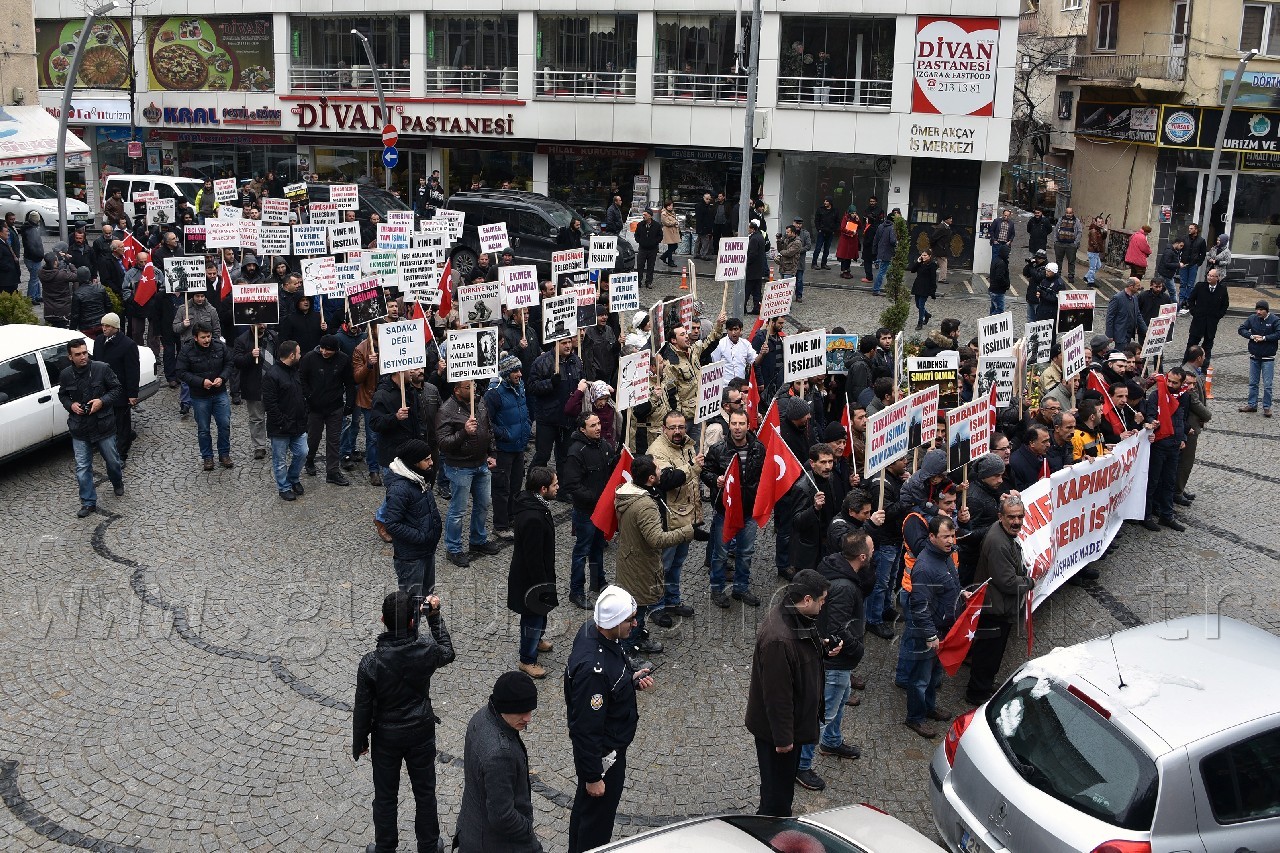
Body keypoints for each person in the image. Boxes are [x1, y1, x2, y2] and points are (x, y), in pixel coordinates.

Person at [353, 591, 455, 853]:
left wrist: (360, 741)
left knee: (385, 797)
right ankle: (430, 846)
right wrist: (434, 616)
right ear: (412, 622)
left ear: (382, 620)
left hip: (386, 738)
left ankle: (385, 848)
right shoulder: (426, 650)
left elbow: (363, 708)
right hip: (421, 732)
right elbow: (448, 651)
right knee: (425, 794)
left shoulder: (371, 663)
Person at [563, 585, 656, 853]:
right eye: (630, 620)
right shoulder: (593, 671)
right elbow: (585, 728)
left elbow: (612, 681)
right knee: (595, 824)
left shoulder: (593, 633)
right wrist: (592, 776)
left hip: (610, 748)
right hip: (604, 756)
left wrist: (630, 682)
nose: (635, 624)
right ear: (613, 622)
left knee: (587, 813)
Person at [745, 569, 833, 816]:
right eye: (821, 599)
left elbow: (801, 650)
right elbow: (777, 696)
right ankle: (768, 834)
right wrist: (783, 740)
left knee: (781, 789)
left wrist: (823, 648)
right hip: (778, 736)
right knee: (776, 799)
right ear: (807, 600)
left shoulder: (794, 617)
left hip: (790, 728)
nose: (824, 604)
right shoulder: (779, 640)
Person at [794, 531, 872, 791]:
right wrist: (856, 648)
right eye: (871, 548)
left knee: (839, 702)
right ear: (862, 555)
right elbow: (837, 627)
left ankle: (832, 741)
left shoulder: (838, 569)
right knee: (821, 715)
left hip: (841, 665)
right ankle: (802, 766)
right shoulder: (845, 587)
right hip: (836, 664)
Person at [453, 671, 544, 853]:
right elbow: (502, 816)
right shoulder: (501, 754)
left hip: (474, 827)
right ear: (504, 707)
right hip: (496, 844)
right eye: (521, 712)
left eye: (530, 710)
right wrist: (528, 829)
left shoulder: (482, 716)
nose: (528, 719)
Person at [903, 514, 968, 739]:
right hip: (931, 631)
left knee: (933, 673)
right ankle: (915, 717)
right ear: (931, 537)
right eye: (945, 537)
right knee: (920, 677)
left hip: (944, 627)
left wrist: (961, 593)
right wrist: (931, 635)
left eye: (952, 535)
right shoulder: (924, 567)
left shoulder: (946, 555)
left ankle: (929, 707)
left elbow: (948, 585)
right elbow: (919, 606)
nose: (951, 541)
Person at [966, 495, 1035, 705]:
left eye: (1020, 517)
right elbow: (1007, 582)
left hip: (998, 605)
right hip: (995, 608)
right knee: (988, 653)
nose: (1016, 522)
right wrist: (1029, 582)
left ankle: (984, 684)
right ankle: (977, 692)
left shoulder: (1002, 533)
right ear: (1000, 517)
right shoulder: (998, 542)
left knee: (991, 652)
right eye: (1011, 517)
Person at [702, 409, 766, 609]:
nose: (737, 428)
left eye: (741, 424)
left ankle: (740, 587)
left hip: (748, 510)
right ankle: (717, 589)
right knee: (720, 554)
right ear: (729, 425)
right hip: (725, 511)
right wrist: (715, 480)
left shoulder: (758, 448)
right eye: (734, 424)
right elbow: (706, 472)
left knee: (745, 552)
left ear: (748, 426)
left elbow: (764, 476)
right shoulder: (718, 449)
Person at [646, 411, 704, 627]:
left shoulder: (688, 444)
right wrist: (693, 468)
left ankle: (672, 600)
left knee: (678, 564)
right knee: (663, 565)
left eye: (681, 426)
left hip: (686, 516)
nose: (678, 431)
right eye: (673, 427)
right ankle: (656, 606)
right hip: (668, 519)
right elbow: (667, 480)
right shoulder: (657, 451)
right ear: (664, 429)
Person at [436, 379, 501, 567]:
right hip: (460, 467)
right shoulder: (446, 411)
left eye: (473, 385)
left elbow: (488, 429)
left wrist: (492, 452)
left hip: (481, 463)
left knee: (483, 504)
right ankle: (453, 548)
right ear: (457, 390)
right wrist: (464, 432)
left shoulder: (479, 402)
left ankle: (478, 539)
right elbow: (443, 443)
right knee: (458, 510)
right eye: (468, 386)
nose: (473, 388)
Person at [58, 339, 124, 517]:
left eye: (84, 353)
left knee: (112, 461)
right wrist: (71, 405)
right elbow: (62, 395)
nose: (82, 357)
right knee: (82, 467)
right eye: (78, 354)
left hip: (103, 426)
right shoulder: (65, 374)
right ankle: (88, 502)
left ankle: (117, 481)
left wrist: (101, 401)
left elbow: (117, 389)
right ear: (70, 357)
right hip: (79, 428)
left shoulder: (102, 369)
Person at [561, 409, 617, 609]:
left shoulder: (604, 445)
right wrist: (596, 498)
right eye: (593, 425)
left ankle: (598, 582)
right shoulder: (576, 451)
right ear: (583, 429)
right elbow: (572, 485)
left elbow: (611, 471)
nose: (598, 428)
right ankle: (576, 591)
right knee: (582, 551)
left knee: (598, 547)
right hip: (586, 511)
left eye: (599, 424)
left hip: (601, 510)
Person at [507, 467, 558, 679]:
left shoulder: (535, 504)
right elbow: (533, 557)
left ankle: (536, 641)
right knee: (532, 617)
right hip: (532, 580)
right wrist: (541, 587)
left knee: (539, 614)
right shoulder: (533, 518)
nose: (558, 488)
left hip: (538, 575)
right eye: (555, 485)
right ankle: (527, 659)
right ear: (543, 489)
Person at [382, 438, 442, 597]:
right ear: (414, 462)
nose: (431, 463)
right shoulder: (400, 489)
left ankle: (432, 621)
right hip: (411, 558)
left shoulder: (420, 478)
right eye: (426, 459)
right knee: (411, 605)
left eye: (431, 458)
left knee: (428, 598)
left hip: (426, 550)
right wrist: (421, 536)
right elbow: (392, 524)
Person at [484, 355, 531, 538]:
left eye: (520, 370)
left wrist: (525, 426)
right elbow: (486, 422)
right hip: (503, 448)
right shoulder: (494, 393)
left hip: (518, 446)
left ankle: (512, 518)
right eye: (515, 371)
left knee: (515, 486)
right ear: (506, 373)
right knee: (502, 489)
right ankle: (501, 525)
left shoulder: (520, 386)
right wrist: (505, 433)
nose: (520, 374)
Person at [177, 323, 234, 471]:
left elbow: (229, 363)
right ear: (195, 337)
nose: (207, 340)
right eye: (203, 337)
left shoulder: (219, 346)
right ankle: (207, 457)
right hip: (200, 396)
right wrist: (201, 382)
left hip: (219, 392)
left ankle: (224, 454)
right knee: (203, 429)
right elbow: (181, 372)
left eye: (208, 336)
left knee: (224, 424)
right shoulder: (187, 350)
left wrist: (222, 378)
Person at [298, 334, 353, 486]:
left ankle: (333, 472)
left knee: (334, 441)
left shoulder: (343, 360)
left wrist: (349, 403)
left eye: (328, 350)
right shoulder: (309, 358)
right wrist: (308, 396)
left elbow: (349, 382)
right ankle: (309, 460)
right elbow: (302, 378)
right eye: (322, 348)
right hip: (315, 407)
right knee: (313, 438)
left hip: (335, 406)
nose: (324, 352)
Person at [1140, 367, 1187, 533]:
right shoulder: (1156, 395)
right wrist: (1153, 421)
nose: (1171, 384)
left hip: (1174, 445)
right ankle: (1146, 515)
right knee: (1153, 481)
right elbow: (1150, 414)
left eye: (1175, 382)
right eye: (1169, 381)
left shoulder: (1183, 396)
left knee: (1169, 481)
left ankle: (1166, 515)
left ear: (1181, 383)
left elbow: (1183, 418)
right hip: (1160, 444)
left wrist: (1183, 438)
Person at [261, 340, 308, 500]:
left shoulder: (295, 370)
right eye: (299, 353)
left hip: (298, 424)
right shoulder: (272, 375)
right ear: (292, 355)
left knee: (303, 453)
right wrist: (283, 422)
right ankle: (284, 487)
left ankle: (293, 477)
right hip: (280, 427)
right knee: (279, 460)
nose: (301, 356)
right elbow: (270, 404)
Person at [91, 313, 140, 463]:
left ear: (116, 328)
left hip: (120, 390)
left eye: (108, 326)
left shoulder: (127, 345)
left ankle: (121, 454)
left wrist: (132, 393)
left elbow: (132, 371)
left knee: (122, 424)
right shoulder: (99, 341)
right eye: (103, 325)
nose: (104, 328)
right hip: (103, 391)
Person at [528, 338, 582, 470]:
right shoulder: (541, 362)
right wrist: (550, 383)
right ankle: (533, 486)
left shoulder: (576, 361)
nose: (568, 345)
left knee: (565, 457)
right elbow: (532, 387)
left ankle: (562, 488)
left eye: (569, 342)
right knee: (542, 456)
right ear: (555, 344)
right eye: (564, 343)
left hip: (568, 419)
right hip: (547, 418)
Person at [232, 323, 276, 460]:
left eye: (264, 322)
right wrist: (250, 355)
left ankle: (278, 443)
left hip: (273, 384)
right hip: (253, 384)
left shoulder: (273, 337)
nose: (262, 325)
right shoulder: (241, 340)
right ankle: (259, 446)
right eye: (258, 323)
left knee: (275, 415)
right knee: (257, 418)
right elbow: (237, 362)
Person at [1239, 300, 1280, 417]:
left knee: (1267, 385)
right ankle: (1252, 404)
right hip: (1254, 356)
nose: (1258, 312)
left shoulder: (1274, 320)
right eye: (1257, 309)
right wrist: (1251, 336)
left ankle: (1267, 407)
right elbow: (1241, 329)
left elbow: (1278, 334)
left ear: (1266, 311)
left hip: (1268, 357)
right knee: (1253, 383)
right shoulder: (1252, 318)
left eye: (1261, 310)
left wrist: (1264, 338)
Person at [1186, 267, 1230, 364]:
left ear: (1217, 278)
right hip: (1198, 321)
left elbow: (1225, 305)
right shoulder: (1200, 286)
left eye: (1212, 276)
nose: (1209, 277)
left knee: (1208, 346)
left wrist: (1218, 316)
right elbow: (1191, 300)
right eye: (1208, 275)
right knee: (1191, 344)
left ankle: (1204, 366)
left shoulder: (1222, 289)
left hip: (1211, 323)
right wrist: (1194, 311)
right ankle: (1186, 363)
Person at [1105, 277, 1146, 350]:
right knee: (1121, 355)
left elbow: (1138, 315)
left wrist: (1146, 330)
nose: (1139, 288)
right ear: (1131, 286)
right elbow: (1110, 317)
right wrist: (1109, 334)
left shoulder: (1135, 297)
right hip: (1121, 333)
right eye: (1137, 286)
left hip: (1129, 333)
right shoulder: (1117, 298)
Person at [1178, 223, 1207, 311]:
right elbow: (1179, 249)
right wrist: (1179, 261)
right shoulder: (1184, 239)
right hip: (1184, 263)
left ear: (1196, 230)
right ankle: (1181, 301)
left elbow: (1203, 253)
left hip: (1193, 264)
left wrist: (1198, 263)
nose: (1189, 230)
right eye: (1189, 228)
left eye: (1191, 228)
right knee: (1183, 283)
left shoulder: (1201, 240)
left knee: (1190, 284)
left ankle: (1188, 301)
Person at [908, 250, 939, 330]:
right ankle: (927, 315)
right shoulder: (920, 263)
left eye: (925, 255)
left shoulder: (932, 265)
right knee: (918, 305)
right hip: (918, 286)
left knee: (921, 305)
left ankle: (920, 323)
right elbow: (912, 270)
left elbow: (933, 278)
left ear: (929, 256)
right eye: (922, 255)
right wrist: (917, 262)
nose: (923, 257)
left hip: (925, 288)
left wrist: (933, 291)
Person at [871, 209, 899, 295]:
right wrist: (898, 243)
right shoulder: (892, 227)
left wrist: (874, 251)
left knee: (883, 271)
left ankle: (884, 289)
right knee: (884, 272)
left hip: (881, 252)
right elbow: (893, 241)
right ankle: (877, 289)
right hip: (888, 252)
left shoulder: (881, 226)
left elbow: (876, 239)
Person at [634, 208, 662, 289]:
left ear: (650, 216)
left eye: (645, 215)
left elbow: (660, 236)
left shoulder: (657, 225)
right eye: (643, 215)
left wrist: (654, 242)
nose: (643, 216)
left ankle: (648, 282)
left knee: (650, 266)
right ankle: (638, 281)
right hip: (642, 248)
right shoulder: (640, 224)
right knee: (640, 265)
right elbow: (636, 235)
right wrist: (640, 241)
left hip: (652, 249)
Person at [744, 219, 768, 313]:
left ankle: (743, 308)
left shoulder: (754, 239)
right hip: (759, 269)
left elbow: (752, 254)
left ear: (752, 229)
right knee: (757, 290)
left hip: (752, 269)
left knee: (747, 289)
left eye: (749, 228)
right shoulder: (760, 236)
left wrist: (746, 263)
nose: (748, 229)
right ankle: (757, 308)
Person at [1052, 206, 1081, 284]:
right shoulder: (1061, 219)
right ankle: (1058, 275)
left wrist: (1075, 243)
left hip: (1071, 244)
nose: (1068, 214)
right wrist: (1056, 241)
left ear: (1072, 213)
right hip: (1060, 243)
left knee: (1071, 261)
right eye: (1067, 213)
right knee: (1058, 261)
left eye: (1070, 213)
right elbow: (1056, 229)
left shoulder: (1076, 221)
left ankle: (1071, 275)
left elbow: (1079, 232)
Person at [812, 197, 837, 270]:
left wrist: (834, 229)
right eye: (824, 201)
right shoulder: (820, 209)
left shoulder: (834, 211)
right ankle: (814, 263)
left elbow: (837, 221)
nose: (825, 202)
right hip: (822, 231)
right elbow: (817, 220)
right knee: (818, 248)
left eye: (827, 201)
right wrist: (819, 229)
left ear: (830, 202)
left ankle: (824, 263)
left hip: (830, 232)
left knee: (827, 249)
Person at [1085, 214, 1108, 285]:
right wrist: (1098, 249)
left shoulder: (1099, 230)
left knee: (1098, 265)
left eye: (1101, 222)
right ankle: (1090, 281)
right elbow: (1094, 242)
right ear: (1095, 222)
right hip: (1093, 252)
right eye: (1099, 222)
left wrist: (1105, 231)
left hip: (1095, 252)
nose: (1100, 223)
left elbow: (1103, 238)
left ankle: (1087, 277)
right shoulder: (1094, 231)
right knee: (1093, 267)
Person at [929, 214, 953, 282]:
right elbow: (933, 238)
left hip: (942, 248)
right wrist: (933, 246)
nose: (951, 220)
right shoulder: (941, 227)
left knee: (936, 264)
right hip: (940, 249)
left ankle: (928, 274)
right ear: (946, 220)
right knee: (943, 263)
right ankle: (942, 279)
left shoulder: (945, 227)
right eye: (950, 218)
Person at [659, 200, 681, 267]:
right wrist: (675, 222)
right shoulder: (664, 213)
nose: (671, 207)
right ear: (666, 206)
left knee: (674, 246)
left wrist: (676, 223)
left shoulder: (672, 212)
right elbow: (666, 223)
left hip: (674, 231)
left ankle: (664, 257)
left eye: (671, 205)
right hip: (668, 232)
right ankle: (670, 261)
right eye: (669, 206)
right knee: (671, 246)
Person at [988, 249, 1010, 316]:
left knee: (994, 308)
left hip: (993, 289)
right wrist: (1006, 284)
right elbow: (999, 277)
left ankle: (989, 322)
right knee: (999, 310)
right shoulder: (1001, 263)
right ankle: (989, 322)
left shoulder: (996, 260)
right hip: (998, 290)